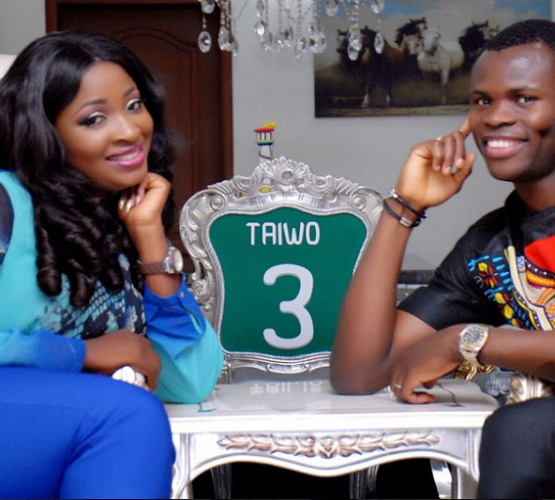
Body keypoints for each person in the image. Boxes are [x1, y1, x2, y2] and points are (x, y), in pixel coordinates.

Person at [330, 18, 555, 499]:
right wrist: (404, 207)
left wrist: (467, 340)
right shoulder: (492, 247)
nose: (495, 117)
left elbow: (464, 344)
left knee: (522, 431)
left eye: (524, 98)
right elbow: (359, 372)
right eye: (482, 101)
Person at [0, 28, 223, 499]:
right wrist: (85, 354)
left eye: (134, 105)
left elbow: (189, 381)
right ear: (44, 132)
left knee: (128, 415)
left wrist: (150, 240)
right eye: (94, 118)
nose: (129, 130)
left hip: (54, 437)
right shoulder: (5, 201)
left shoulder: (114, 221)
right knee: (126, 415)